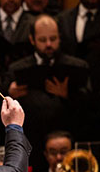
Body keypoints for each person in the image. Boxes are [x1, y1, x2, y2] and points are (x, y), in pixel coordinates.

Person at [6, 13, 91, 164]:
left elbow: (91, 108)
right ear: (32, 39)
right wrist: (10, 95)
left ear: (60, 37)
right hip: (32, 142)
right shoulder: (16, 69)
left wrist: (67, 95)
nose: (48, 45)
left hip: (68, 139)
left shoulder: (77, 66)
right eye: (42, 40)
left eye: (53, 39)